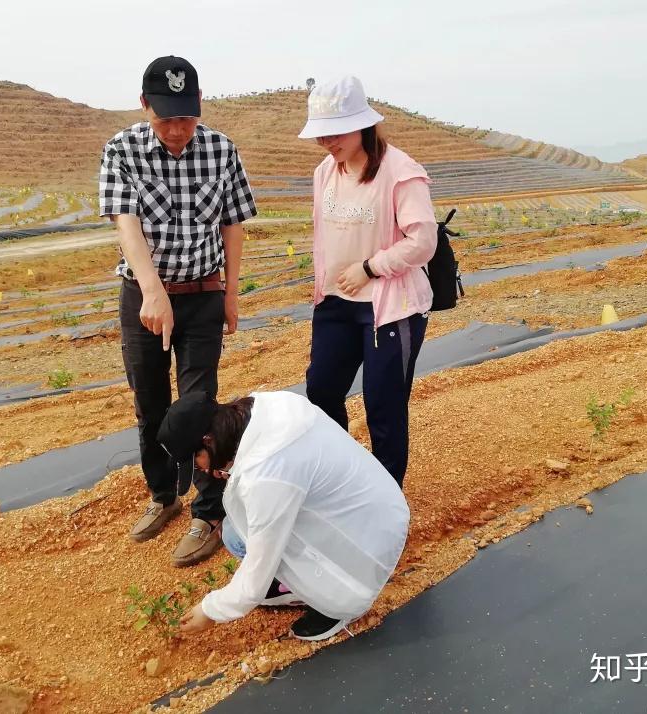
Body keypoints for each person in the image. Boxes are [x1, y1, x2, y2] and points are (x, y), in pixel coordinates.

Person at [98, 56, 258, 567]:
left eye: (185, 118)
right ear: (145, 105)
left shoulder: (220, 149)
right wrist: (152, 291)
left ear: (199, 107)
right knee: (150, 403)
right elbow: (127, 225)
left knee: (200, 405)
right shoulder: (122, 150)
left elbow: (233, 224)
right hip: (143, 295)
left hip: (204, 293)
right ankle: (163, 495)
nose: (176, 130)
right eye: (166, 119)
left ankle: (208, 513)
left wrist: (231, 293)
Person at [158, 390, 410, 641]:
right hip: (381, 511)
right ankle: (296, 582)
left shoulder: (267, 475)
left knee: (246, 534)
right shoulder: (266, 405)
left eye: (196, 461)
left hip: (369, 548)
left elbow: (258, 568)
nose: (201, 470)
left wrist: (210, 610)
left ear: (209, 439)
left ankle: (335, 600)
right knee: (236, 529)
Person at [298, 75, 437, 487]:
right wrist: (323, 280)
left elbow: (423, 242)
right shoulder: (325, 171)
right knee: (321, 392)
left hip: (390, 309)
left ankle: (386, 499)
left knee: (383, 406)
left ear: (362, 124)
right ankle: (343, 479)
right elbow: (323, 233)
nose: (325, 142)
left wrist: (370, 267)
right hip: (336, 302)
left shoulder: (400, 171)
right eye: (320, 134)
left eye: (334, 132)